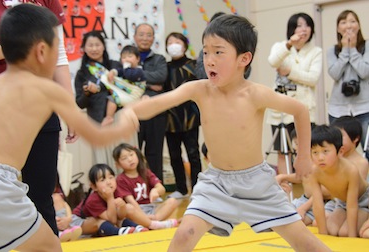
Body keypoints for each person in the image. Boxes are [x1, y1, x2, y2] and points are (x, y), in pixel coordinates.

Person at [126, 14, 330, 251]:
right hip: (217, 183)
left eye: (218, 52)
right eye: (205, 52)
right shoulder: (199, 89)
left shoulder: (256, 94)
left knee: (306, 243)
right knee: (184, 235)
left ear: (244, 58)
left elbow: (301, 110)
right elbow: (159, 102)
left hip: (259, 184)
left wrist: (303, 157)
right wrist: (131, 112)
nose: (209, 60)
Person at [0, 4, 138, 251]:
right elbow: (98, 136)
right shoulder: (44, 89)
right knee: (50, 247)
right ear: (41, 51)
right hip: (0, 188)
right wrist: (125, 123)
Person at [0, 0, 78, 236]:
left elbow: (58, 54)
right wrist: (16, 46)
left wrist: (70, 106)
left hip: (40, 105)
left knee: (42, 194)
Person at [266, 12, 322, 175]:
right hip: (280, 110)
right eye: (299, 25)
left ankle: (310, 191)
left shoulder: (315, 51)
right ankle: (285, 191)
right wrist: (290, 44)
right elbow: (273, 61)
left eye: (307, 25)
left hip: (304, 109)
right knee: (283, 152)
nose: (303, 29)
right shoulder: (281, 46)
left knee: (307, 151)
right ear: (291, 29)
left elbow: (312, 78)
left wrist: (289, 71)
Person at [305, 125, 369, 237]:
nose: (320, 157)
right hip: (341, 203)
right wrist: (323, 234)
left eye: (325, 151)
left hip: (363, 202)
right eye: (315, 152)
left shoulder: (350, 170)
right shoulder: (315, 171)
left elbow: (352, 205)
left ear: (340, 151)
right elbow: (318, 203)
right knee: (331, 231)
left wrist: (352, 237)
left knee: (345, 232)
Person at [75, 31, 123, 171]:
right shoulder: (82, 73)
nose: (94, 49)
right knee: (103, 164)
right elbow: (80, 103)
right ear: (84, 48)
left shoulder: (115, 66)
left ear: (103, 46)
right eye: (90, 45)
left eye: (97, 44)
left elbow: (124, 87)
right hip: (96, 123)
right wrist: (88, 93)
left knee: (124, 158)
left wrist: (99, 87)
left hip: (118, 118)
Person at [327, 10, 369, 160]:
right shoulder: (333, 50)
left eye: (352, 21)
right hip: (338, 108)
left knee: (367, 149)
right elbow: (334, 73)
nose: (348, 25)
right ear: (338, 28)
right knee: (337, 149)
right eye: (343, 22)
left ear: (358, 25)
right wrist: (345, 50)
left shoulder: (367, 46)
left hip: (364, 107)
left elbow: (365, 71)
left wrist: (353, 49)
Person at [164, 32, 201, 199]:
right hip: (170, 118)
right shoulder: (164, 67)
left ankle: (197, 187)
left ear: (185, 45)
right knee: (174, 154)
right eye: (170, 42)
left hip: (190, 116)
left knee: (193, 153)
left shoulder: (193, 65)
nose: (173, 45)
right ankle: (181, 188)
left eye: (177, 41)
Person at [113, 143, 180, 229]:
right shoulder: (121, 179)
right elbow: (131, 201)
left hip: (151, 208)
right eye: (124, 158)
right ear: (118, 165)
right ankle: (153, 223)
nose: (130, 159)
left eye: (131, 155)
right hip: (136, 211)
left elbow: (161, 188)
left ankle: (153, 222)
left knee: (173, 201)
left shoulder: (145, 172)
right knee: (128, 208)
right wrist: (142, 216)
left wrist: (155, 190)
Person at [71, 164, 149, 236]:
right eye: (102, 180)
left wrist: (122, 207)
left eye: (111, 177)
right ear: (94, 187)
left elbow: (120, 217)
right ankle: (118, 231)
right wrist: (110, 199)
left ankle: (136, 228)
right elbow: (112, 220)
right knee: (99, 221)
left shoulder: (116, 191)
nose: (108, 182)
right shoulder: (92, 200)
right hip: (79, 221)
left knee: (116, 218)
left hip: (105, 219)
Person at [134, 23, 168, 181]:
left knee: (155, 153)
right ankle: (134, 189)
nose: (145, 38)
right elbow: (124, 79)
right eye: (141, 34)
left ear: (153, 39)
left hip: (157, 113)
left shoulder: (159, 59)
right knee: (132, 152)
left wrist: (137, 76)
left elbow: (161, 77)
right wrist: (150, 84)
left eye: (148, 35)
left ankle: (155, 187)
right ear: (135, 37)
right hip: (134, 113)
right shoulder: (128, 56)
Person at [102, 45, 146, 127]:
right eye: (124, 57)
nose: (127, 59)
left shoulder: (139, 71)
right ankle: (109, 117)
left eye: (130, 56)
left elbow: (129, 76)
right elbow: (119, 71)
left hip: (134, 96)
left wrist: (126, 67)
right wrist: (113, 72)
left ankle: (110, 117)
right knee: (112, 98)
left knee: (113, 98)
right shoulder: (125, 69)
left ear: (138, 59)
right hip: (127, 96)